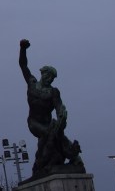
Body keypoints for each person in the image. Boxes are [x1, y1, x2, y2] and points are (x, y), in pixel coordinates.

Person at [19, 39, 85, 179]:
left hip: (48, 122)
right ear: (42, 73)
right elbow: (23, 65)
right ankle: (46, 163)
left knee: (54, 135)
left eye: (52, 78)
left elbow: (59, 107)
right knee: (49, 134)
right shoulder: (32, 83)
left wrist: (62, 116)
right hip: (34, 122)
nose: (49, 79)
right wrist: (23, 49)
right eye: (48, 75)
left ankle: (68, 158)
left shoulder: (53, 92)